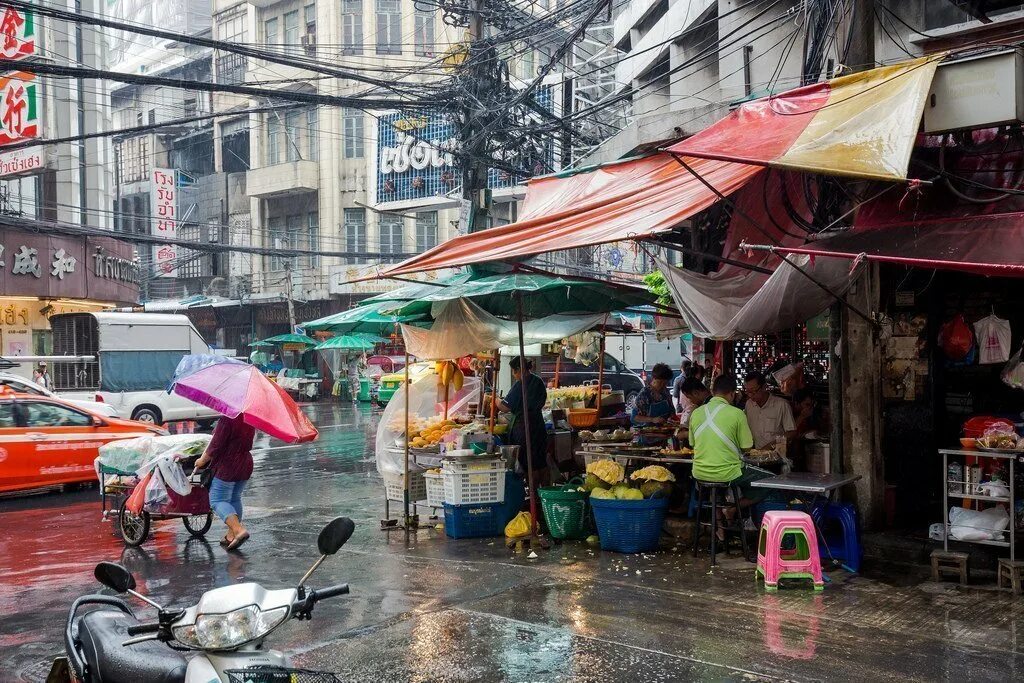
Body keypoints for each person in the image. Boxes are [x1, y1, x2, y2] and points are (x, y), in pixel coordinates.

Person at [689, 374, 769, 512]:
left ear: (713, 392)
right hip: (729, 474)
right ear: (732, 394)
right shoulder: (737, 413)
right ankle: (733, 509)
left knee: (722, 484)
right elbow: (747, 447)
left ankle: (721, 517)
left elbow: (692, 443)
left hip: (699, 473)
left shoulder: (696, 413)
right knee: (770, 480)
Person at [194, 414, 257, 551]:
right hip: (245, 463)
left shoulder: (227, 419)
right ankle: (231, 535)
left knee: (217, 500)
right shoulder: (248, 417)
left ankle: (238, 530)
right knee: (234, 498)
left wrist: (202, 461)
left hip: (228, 464)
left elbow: (215, 445)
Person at [487, 357, 548, 485]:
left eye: (514, 372)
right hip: (539, 425)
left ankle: (533, 494)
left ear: (519, 369)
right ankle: (543, 493)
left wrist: (496, 399)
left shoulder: (520, 384)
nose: (514, 375)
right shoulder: (538, 381)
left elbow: (504, 407)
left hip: (524, 428)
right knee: (540, 461)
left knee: (528, 462)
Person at [743, 371, 796, 449]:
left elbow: (791, 432)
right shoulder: (749, 404)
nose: (750, 395)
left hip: (777, 456)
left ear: (764, 387)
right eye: (748, 391)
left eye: (753, 391)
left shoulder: (781, 405)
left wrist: (771, 446)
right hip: (756, 454)